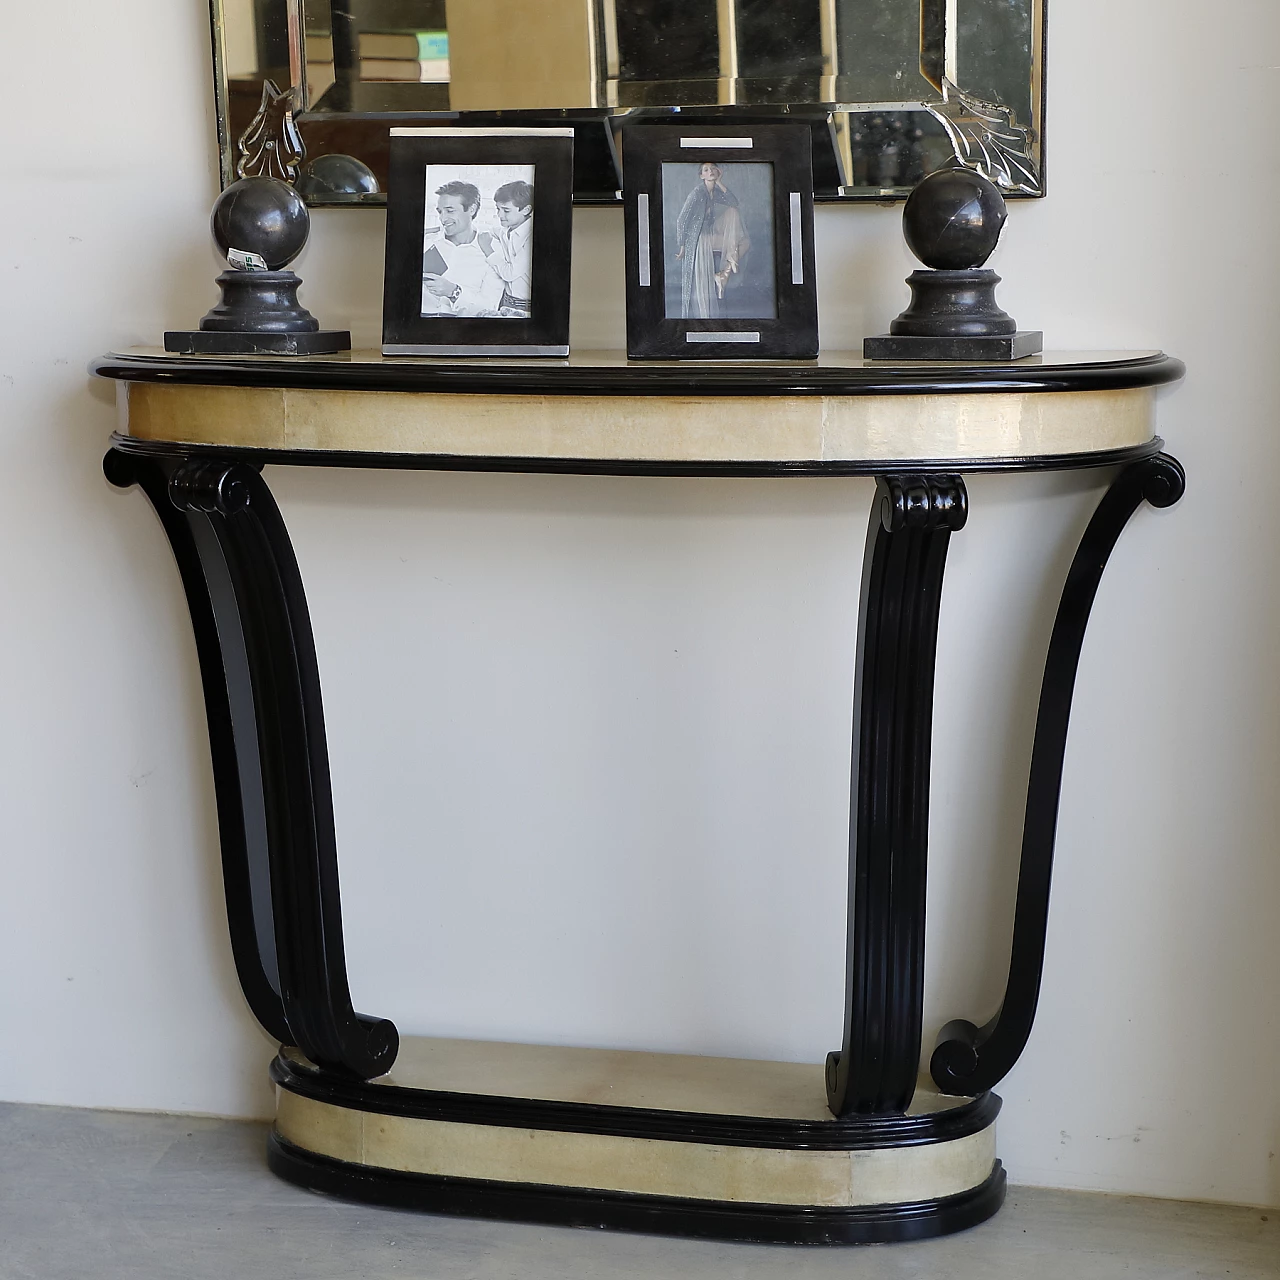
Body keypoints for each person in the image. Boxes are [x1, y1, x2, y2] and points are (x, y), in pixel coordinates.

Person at [673, 162, 751, 319]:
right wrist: (682, 245)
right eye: (706, 170)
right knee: (738, 235)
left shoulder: (714, 191)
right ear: (701, 176)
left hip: (711, 232)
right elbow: (681, 220)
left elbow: (734, 202)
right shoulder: (696, 193)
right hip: (699, 237)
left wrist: (720, 182)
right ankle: (725, 270)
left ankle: (724, 274)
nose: (711, 172)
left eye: (713, 169)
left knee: (736, 221)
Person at [421, 180, 504, 317]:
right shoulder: (426, 241)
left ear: (471, 209)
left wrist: (454, 292)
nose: (443, 218)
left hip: (464, 326)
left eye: (450, 211)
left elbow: (489, 307)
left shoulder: (492, 252)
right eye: (440, 212)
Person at [481, 179, 534, 318]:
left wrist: (487, 249)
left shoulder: (531, 237)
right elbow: (484, 231)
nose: (499, 215)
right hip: (505, 301)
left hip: (525, 306)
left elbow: (510, 274)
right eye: (498, 209)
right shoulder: (505, 230)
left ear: (526, 210)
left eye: (506, 210)